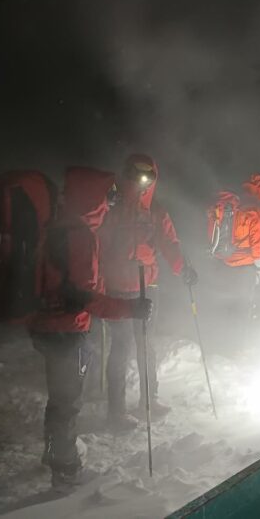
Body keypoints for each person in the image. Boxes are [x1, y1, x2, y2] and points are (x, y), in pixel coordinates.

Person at [27, 166, 152, 488]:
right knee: (68, 400)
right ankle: (66, 468)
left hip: (44, 324)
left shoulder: (57, 226)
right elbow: (84, 298)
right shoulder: (80, 236)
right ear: (93, 199)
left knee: (59, 396)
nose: (109, 204)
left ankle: (54, 451)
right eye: (105, 197)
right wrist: (130, 309)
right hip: (65, 329)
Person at [100, 154, 197, 431]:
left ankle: (149, 399)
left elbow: (170, 243)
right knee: (121, 348)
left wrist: (183, 269)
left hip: (147, 285)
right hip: (118, 287)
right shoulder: (112, 205)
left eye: (148, 174)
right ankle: (115, 411)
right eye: (137, 172)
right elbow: (98, 242)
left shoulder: (156, 210)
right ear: (127, 172)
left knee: (146, 345)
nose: (142, 179)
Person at [207, 173, 260, 317]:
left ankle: (220, 335)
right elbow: (257, 241)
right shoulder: (255, 209)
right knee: (242, 309)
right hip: (245, 267)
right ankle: (240, 337)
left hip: (225, 261)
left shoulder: (233, 204)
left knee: (225, 307)